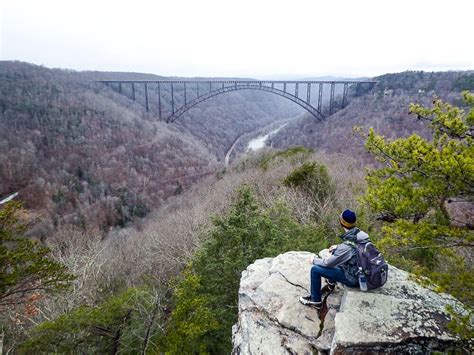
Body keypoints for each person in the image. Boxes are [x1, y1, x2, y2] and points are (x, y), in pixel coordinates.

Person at [299, 209, 370, 310]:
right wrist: (338, 247)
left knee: (315, 269)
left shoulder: (346, 247)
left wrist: (313, 260)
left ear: (342, 222)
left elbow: (328, 263)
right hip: (360, 270)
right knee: (336, 254)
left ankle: (316, 301)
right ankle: (331, 283)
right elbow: (352, 248)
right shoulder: (361, 235)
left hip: (352, 278)